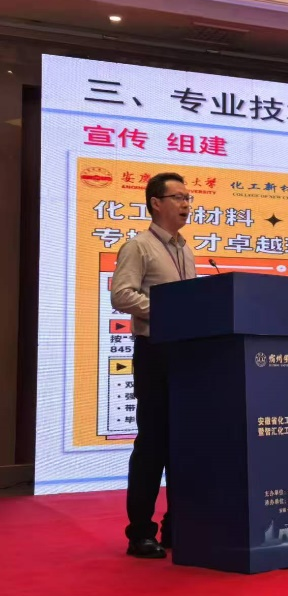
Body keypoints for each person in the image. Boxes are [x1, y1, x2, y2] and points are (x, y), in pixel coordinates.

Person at [110, 173, 196, 559]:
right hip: (154, 351)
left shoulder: (186, 250)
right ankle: (140, 533)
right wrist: (169, 310)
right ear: (156, 203)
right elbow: (121, 295)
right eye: (178, 197)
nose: (186, 204)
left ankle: (177, 526)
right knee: (153, 445)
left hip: (186, 355)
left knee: (184, 443)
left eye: (188, 197)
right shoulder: (138, 246)